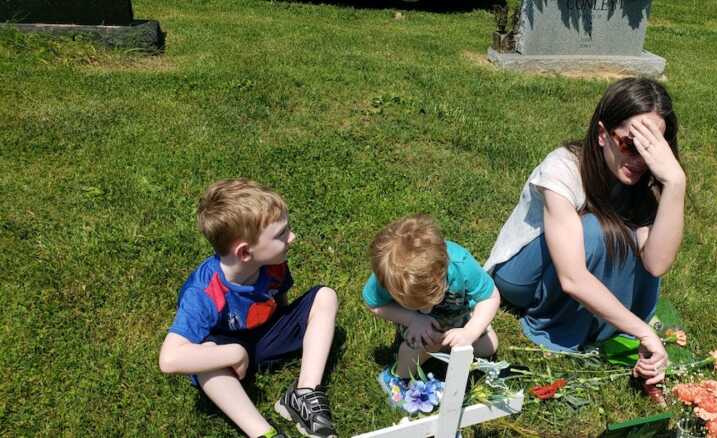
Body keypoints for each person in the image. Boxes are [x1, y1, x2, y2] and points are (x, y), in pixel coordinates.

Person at [484, 78, 685, 385]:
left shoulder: (648, 180)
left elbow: (655, 264)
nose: (639, 160)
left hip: (572, 265)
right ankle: (566, 325)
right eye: (631, 144)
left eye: (651, 149)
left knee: (617, 234)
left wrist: (674, 183)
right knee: (596, 230)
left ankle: (597, 323)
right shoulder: (563, 167)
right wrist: (642, 331)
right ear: (603, 134)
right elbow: (573, 278)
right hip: (521, 277)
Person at [158, 178, 339, 438]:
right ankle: (263, 433)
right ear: (244, 253)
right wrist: (234, 353)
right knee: (204, 357)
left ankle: (304, 393)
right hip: (227, 360)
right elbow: (169, 359)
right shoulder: (204, 293)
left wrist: (291, 327)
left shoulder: (274, 263)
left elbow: (281, 302)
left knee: (325, 296)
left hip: (264, 339)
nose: (292, 237)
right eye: (281, 234)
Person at [362, 214, 500, 402]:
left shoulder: (461, 265)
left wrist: (471, 330)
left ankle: (445, 346)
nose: (426, 308)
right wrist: (412, 318)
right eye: (415, 302)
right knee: (415, 350)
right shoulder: (388, 277)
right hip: (418, 325)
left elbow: (491, 296)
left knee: (489, 346)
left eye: (431, 298)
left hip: (457, 314)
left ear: (443, 270)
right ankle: (396, 378)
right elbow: (373, 304)